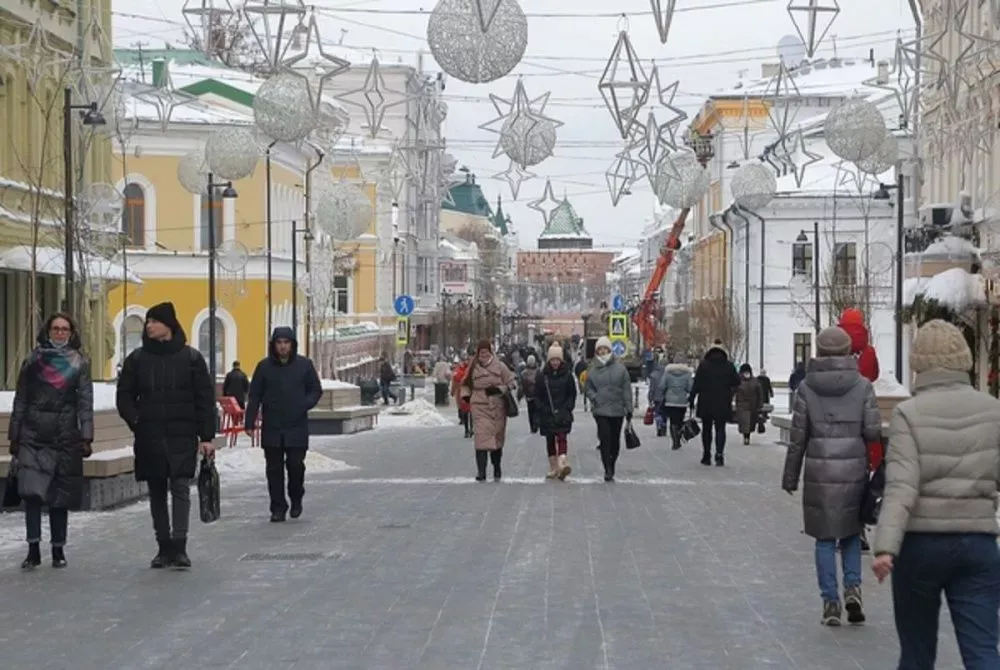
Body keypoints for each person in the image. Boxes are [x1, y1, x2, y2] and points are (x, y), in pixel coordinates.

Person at [871, 319, 1000, 666]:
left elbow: (901, 486)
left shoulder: (907, 414)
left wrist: (885, 547)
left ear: (918, 365)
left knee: (916, 652)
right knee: (984, 650)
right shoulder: (994, 411)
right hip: (979, 545)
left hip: (920, 546)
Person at [782, 326, 881, 626]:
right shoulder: (863, 386)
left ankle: (830, 603)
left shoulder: (806, 388)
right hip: (853, 472)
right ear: (849, 351)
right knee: (851, 534)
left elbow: (798, 438)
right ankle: (853, 588)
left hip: (819, 474)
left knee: (824, 539)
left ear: (820, 352)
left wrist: (790, 477)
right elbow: (873, 431)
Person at [116, 302, 216, 570]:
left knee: (181, 488)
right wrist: (136, 420)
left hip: (182, 434)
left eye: (154, 321)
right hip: (149, 434)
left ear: (169, 325)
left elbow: (204, 399)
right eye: (147, 321)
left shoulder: (192, 359)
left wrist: (206, 436)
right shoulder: (137, 360)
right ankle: (163, 546)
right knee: (157, 490)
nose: (148, 325)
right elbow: (124, 395)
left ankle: (180, 546)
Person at [7, 313, 93, 570]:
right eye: (55, 329)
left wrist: (86, 435)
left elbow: (85, 402)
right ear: (48, 331)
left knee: (59, 495)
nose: (59, 333)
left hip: (64, 435)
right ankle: (33, 548)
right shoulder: (33, 360)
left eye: (64, 329)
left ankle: (58, 549)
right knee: (32, 494)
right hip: (33, 434)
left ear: (71, 333)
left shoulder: (79, 363)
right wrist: (14, 435)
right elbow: (20, 398)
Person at [245, 327, 323, 523]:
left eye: (286, 342)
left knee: (295, 466)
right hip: (272, 425)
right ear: (273, 345)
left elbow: (316, 390)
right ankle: (278, 507)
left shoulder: (304, 365)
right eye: (279, 343)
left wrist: (303, 404)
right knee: (274, 469)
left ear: (292, 344)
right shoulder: (264, 367)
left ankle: (296, 497)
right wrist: (250, 420)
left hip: (296, 425)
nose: (282, 346)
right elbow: (254, 395)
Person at [461, 340, 516, 481]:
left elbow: (512, 382)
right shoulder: (473, 367)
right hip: (479, 406)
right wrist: (466, 397)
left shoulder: (500, 366)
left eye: (486, 352)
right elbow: (465, 384)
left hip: (497, 407)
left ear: (490, 352)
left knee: (497, 440)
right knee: (480, 438)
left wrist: (500, 389)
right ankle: (481, 472)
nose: (483, 355)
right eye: (481, 353)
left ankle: (497, 466)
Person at [585, 336, 633, 482]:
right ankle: (607, 468)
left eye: (605, 348)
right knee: (605, 439)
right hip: (601, 410)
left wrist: (629, 408)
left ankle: (612, 462)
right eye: (600, 349)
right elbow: (588, 388)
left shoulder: (620, 369)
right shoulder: (592, 369)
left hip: (617, 409)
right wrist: (595, 397)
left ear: (610, 350)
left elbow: (626, 389)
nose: (602, 351)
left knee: (615, 440)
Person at [688, 339, 740, 467]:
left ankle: (706, 455)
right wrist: (730, 392)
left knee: (707, 429)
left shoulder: (704, 365)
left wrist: (691, 398)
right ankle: (719, 455)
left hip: (706, 402)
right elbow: (736, 382)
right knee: (720, 428)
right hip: (723, 402)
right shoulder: (729, 366)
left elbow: (697, 384)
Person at [536, 344, 576, 480]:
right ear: (548, 360)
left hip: (563, 412)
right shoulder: (543, 376)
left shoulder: (568, 376)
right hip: (547, 413)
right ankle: (553, 467)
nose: (555, 363)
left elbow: (572, 394)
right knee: (550, 440)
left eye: (557, 360)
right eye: (552, 360)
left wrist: (567, 408)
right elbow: (537, 395)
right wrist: (542, 408)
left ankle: (563, 464)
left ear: (561, 360)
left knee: (562, 437)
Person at [659, 355, 693, 450]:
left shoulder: (668, 372)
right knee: (680, 420)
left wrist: (666, 392)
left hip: (670, 401)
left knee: (673, 421)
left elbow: (662, 386)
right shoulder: (687, 374)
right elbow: (690, 388)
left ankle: (675, 441)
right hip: (682, 401)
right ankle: (678, 437)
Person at [735, 363, 763, 446]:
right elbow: (732, 390)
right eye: (745, 372)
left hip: (752, 406)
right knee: (745, 423)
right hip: (742, 406)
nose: (746, 374)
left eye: (747, 372)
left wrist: (760, 404)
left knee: (750, 424)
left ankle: (747, 436)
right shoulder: (738, 381)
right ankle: (746, 437)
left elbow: (760, 393)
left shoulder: (755, 381)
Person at [451, 355, 473, 438]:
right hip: (463, 393)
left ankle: (470, 429)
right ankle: (467, 429)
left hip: (469, 392)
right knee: (466, 411)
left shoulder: (471, 370)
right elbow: (454, 382)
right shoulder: (460, 371)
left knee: (470, 411)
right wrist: (453, 391)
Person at [518, 355, 540, 433]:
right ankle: (535, 424)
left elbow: (521, 386)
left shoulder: (524, 373)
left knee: (532, 411)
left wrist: (519, 396)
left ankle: (533, 425)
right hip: (534, 395)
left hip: (531, 395)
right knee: (535, 410)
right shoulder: (538, 372)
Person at [647, 357, 667, 437]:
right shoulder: (668, 374)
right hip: (666, 397)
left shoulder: (654, 375)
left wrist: (650, 398)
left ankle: (659, 426)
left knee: (658, 413)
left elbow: (652, 388)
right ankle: (664, 427)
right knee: (664, 414)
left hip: (656, 397)